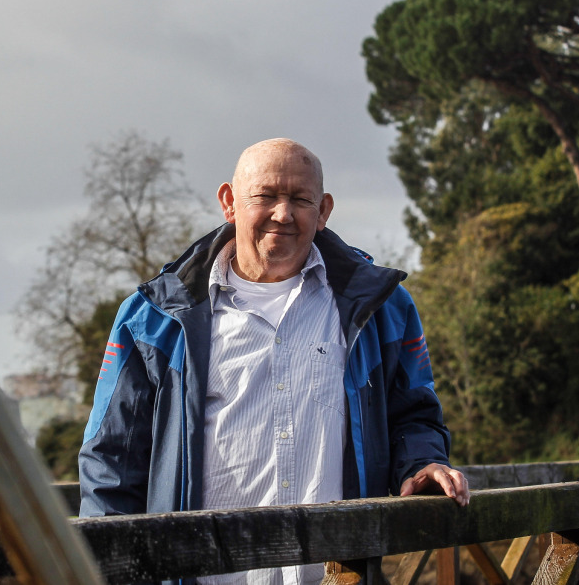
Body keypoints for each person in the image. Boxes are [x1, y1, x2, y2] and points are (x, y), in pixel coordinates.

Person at [79, 138, 467, 584]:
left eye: (300, 200)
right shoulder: (151, 316)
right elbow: (110, 460)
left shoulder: (384, 308)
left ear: (323, 211)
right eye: (265, 196)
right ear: (229, 202)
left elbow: (414, 416)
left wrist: (422, 464)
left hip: (337, 577)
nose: (283, 214)